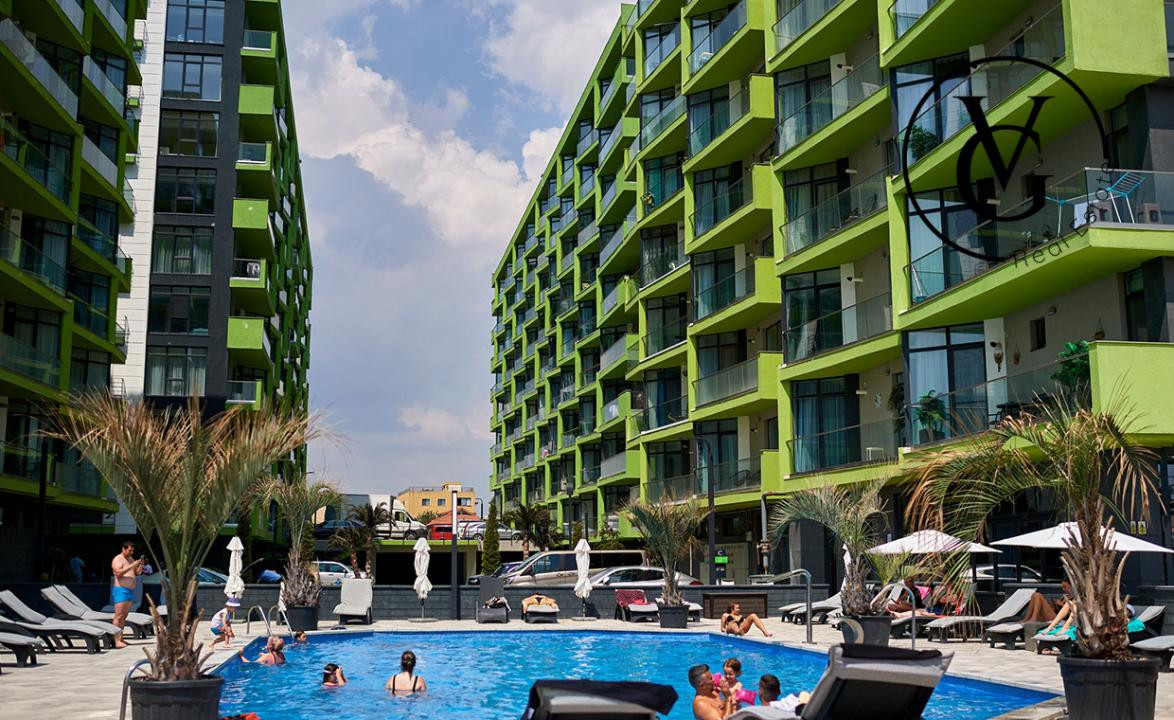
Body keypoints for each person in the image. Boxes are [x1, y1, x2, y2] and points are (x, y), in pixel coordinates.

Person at [110, 541, 144, 649]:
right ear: (123, 549)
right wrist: (132, 565)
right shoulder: (118, 559)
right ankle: (116, 640)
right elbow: (118, 573)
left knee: (124, 616)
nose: (131, 552)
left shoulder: (130, 559)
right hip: (121, 590)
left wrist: (140, 566)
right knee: (118, 616)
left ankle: (121, 638)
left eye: (132, 551)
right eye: (129, 550)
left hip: (129, 591)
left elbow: (137, 572)